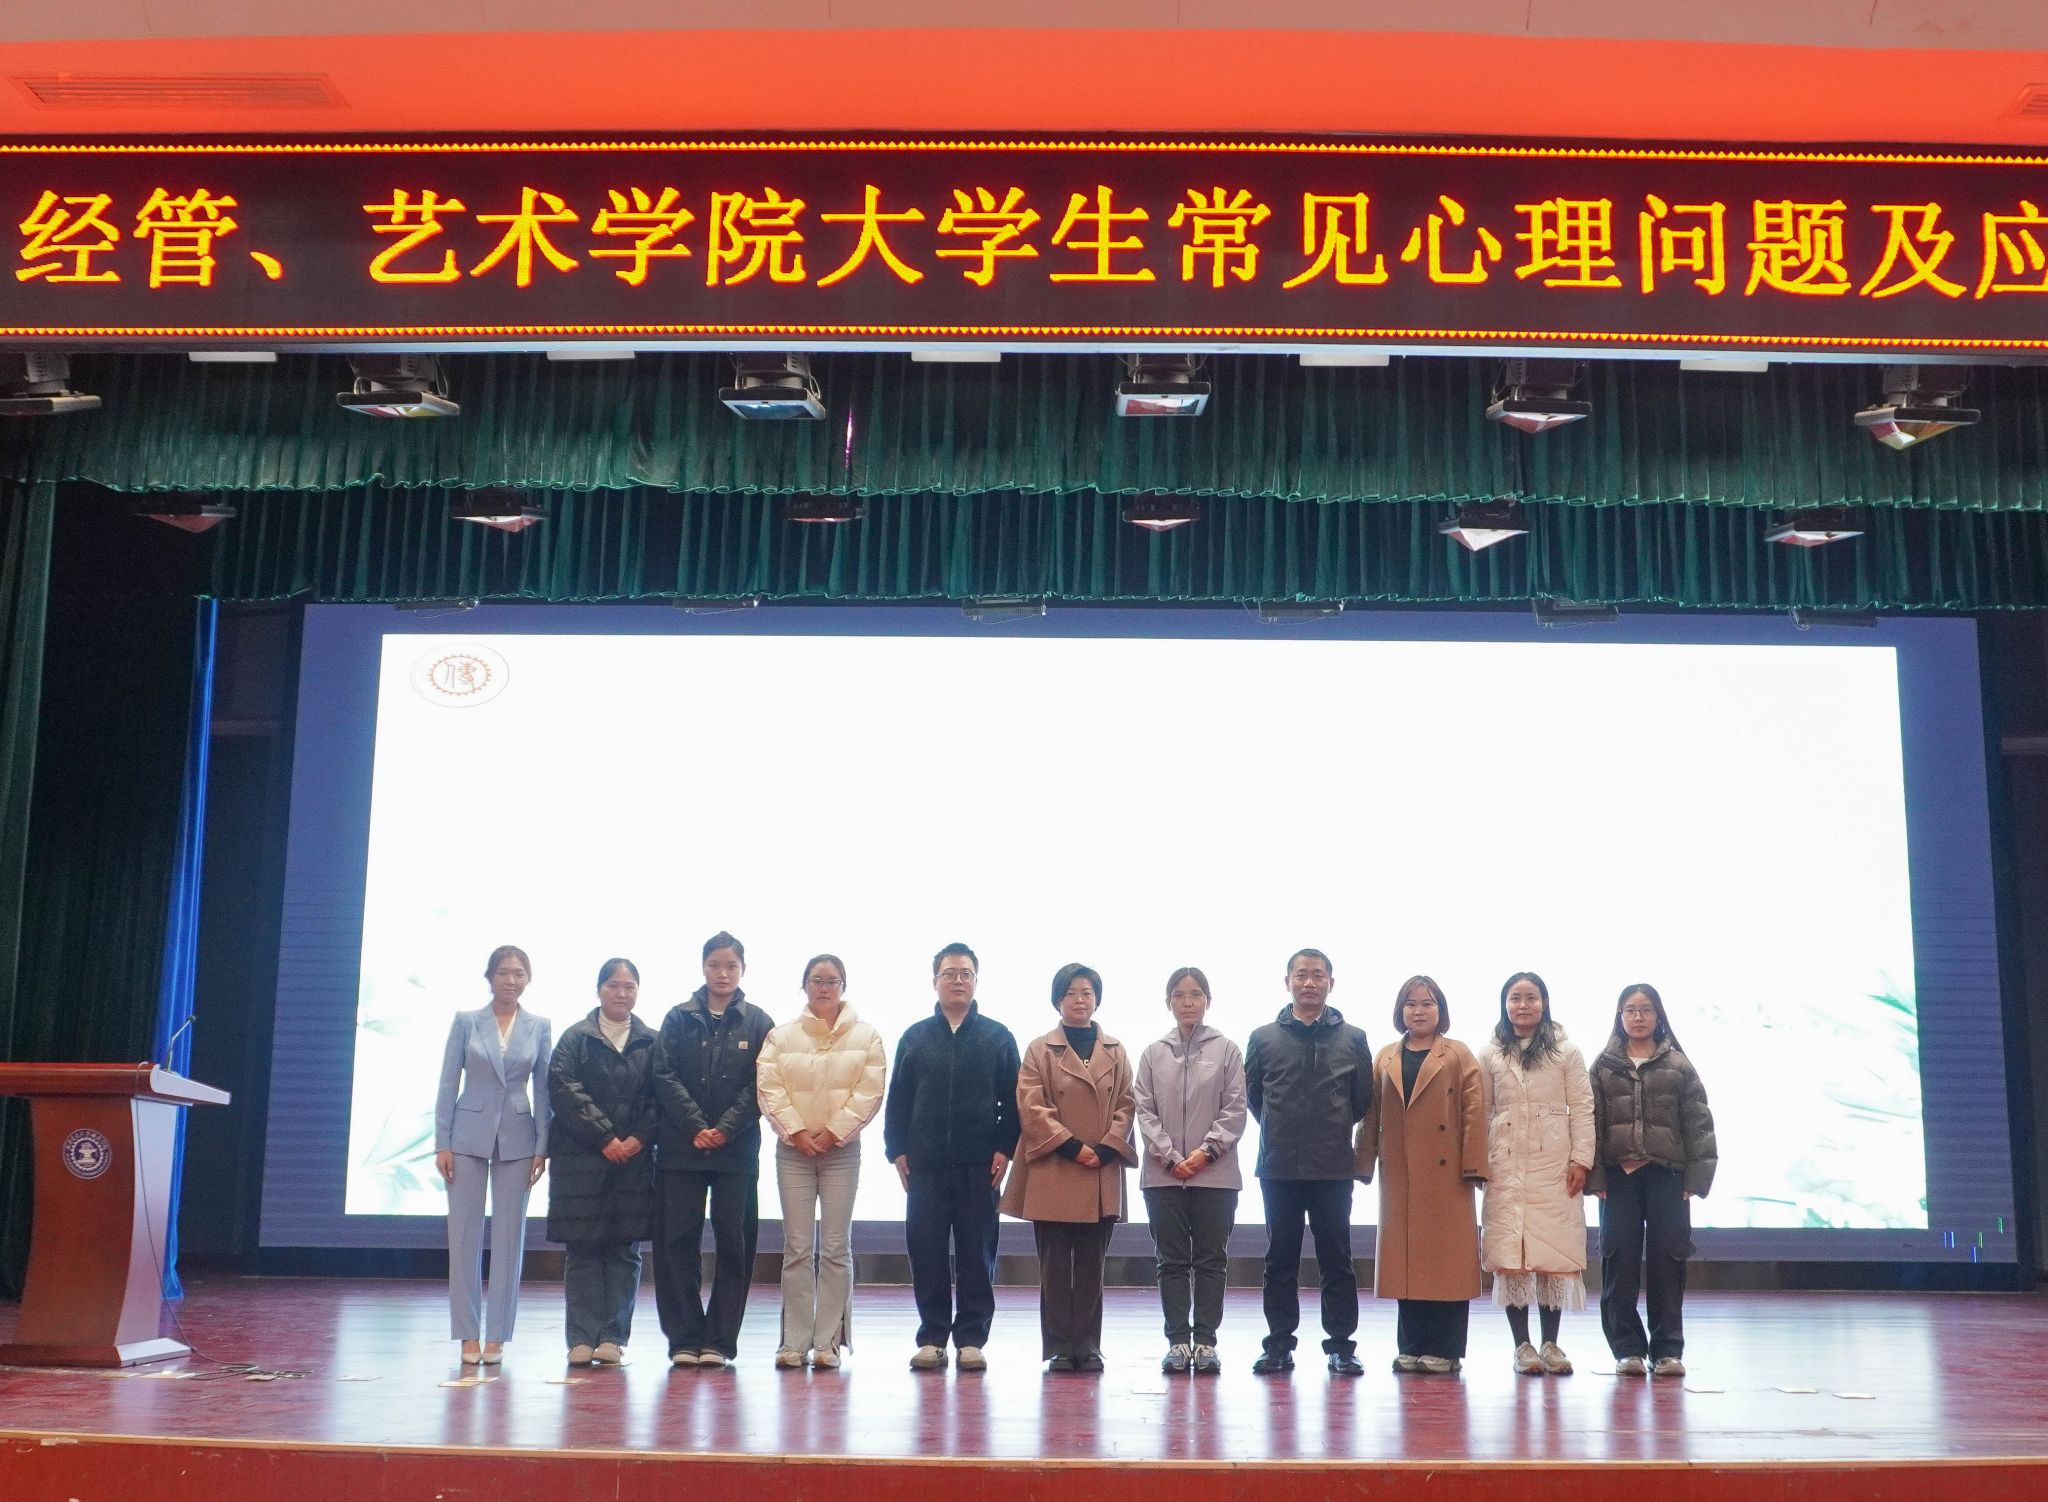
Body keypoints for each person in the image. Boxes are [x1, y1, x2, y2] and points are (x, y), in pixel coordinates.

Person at [882, 942, 1020, 1372]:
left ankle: (971, 1339)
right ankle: (933, 1337)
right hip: (924, 1166)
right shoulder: (915, 1037)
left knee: (977, 1253)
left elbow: (1013, 1103)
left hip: (980, 1166)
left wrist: (1005, 1148)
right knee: (926, 1252)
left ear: (976, 981)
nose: (957, 980)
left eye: (965, 973)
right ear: (935, 981)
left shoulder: (998, 1036)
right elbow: (898, 1099)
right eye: (949, 973)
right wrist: (896, 1149)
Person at [1243, 947, 1373, 1376]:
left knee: (1337, 1259)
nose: (1309, 982)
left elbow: (1361, 1100)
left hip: (1333, 1166)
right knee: (1280, 1259)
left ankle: (1341, 1347)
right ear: (1287, 982)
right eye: (1301, 974)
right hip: (1279, 1165)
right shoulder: (1262, 1038)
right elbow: (1255, 1099)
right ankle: (1279, 1345)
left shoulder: (1353, 1038)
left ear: (1331, 983)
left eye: (1318, 975)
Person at [1001, 962, 1136, 1373]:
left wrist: (1106, 1147)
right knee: (1055, 1267)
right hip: (1055, 1167)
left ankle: (1089, 1346)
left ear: (1097, 999)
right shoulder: (1039, 1049)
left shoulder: (1116, 1050)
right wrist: (1073, 1146)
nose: (1080, 1000)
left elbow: (1128, 1104)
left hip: (1100, 1169)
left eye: (1087, 993)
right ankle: (1060, 1346)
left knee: (1093, 1267)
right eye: (1071, 993)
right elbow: (1031, 1105)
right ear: (1057, 1000)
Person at [755, 953, 887, 1370]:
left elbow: (869, 1091)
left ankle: (828, 1341)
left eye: (832, 981)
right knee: (796, 1247)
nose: (824, 987)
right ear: (804, 985)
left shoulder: (867, 1036)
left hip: (841, 1153)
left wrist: (833, 1132)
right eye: (816, 980)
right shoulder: (780, 1036)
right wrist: (796, 1132)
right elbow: (769, 1087)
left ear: (843, 986)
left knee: (834, 1247)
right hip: (792, 1153)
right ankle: (794, 1342)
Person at [651, 931, 774, 1368]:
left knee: (734, 1244)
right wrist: (696, 1126)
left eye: (731, 966)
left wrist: (723, 1129)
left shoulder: (759, 1022)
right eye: (714, 965)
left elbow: (762, 1083)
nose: (722, 974)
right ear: (703, 967)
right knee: (675, 1242)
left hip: (735, 1151)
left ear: (743, 970)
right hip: (680, 1148)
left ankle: (720, 1341)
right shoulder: (677, 1018)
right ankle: (683, 1339)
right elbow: (663, 1075)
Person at [1354, 975, 1487, 1376]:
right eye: (1411, 1004)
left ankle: (1446, 1349)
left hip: (1447, 1174)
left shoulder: (1458, 1054)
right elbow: (1371, 1114)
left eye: (1427, 1003)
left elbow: (1474, 1112)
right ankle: (1410, 1346)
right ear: (1401, 1011)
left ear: (1440, 1010)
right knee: (1407, 1262)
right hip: (1400, 1171)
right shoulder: (1386, 1057)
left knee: (1447, 1263)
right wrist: (1362, 1160)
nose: (1419, 1010)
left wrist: (1474, 1166)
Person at [1589, 982, 1718, 1379]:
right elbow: (1591, 1125)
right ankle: (1627, 1349)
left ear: (1658, 1015)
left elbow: (1699, 1124)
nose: (1638, 1017)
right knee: (1619, 1261)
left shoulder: (1678, 1065)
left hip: (1668, 1177)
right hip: (1618, 1179)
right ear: (1620, 1017)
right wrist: (1595, 1176)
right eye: (1630, 1010)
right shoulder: (1603, 1066)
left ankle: (1667, 1350)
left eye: (1645, 1009)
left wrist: (1697, 1177)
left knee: (1668, 1261)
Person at [434, 944, 551, 1365]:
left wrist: (543, 1146)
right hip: (467, 1136)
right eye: (503, 972)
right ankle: (467, 1334)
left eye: (519, 973)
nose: (511, 980)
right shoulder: (467, 1022)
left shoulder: (539, 1026)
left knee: (509, 1237)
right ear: (490, 977)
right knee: (463, 1234)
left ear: (528, 979)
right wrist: (442, 1142)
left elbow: (544, 1091)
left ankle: (498, 1334)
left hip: (518, 1138)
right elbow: (448, 1083)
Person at [1479, 970, 1596, 1377]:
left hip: (1554, 1166)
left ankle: (1551, 1343)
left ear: (1544, 1003)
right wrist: (1482, 1162)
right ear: (1504, 1004)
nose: (1523, 1005)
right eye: (1515, 998)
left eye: (1531, 997)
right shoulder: (1490, 1053)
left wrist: (1581, 1160)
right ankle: (1522, 1346)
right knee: (1511, 1256)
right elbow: (1483, 1111)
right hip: (1506, 1166)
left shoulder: (1567, 1052)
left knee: (1552, 1255)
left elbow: (1583, 1108)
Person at [1134, 965, 1247, 1376]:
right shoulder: (1152, 1053)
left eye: (1195, 994)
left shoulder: (1227, 1050)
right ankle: (1178, 1343)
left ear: (1208, 1001)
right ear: (1168, 1002)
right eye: (1179, 995)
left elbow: (1235, 1108)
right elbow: (1143, 1110)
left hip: (1215, 1176)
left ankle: (1207, 1343)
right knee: (1171, 1261)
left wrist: (1205, 1153)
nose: (1187, 1002)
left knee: (1212, 1260)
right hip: (1163, 1177)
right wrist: (1169, 1157)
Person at [546, 957, 658, 1366]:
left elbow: (660, 1097)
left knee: (625, 1250)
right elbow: (564, 1090)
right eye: (613, 985)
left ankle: (613, 1337)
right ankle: (581, 1336)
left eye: (629, 986)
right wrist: (605, 1136)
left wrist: (637, 1139)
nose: (621, 993)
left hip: (634, 1160)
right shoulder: (575, 1038)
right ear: (599, 989)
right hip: (581, 1159)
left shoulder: (652, 1041)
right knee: (584, 1249)